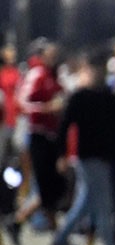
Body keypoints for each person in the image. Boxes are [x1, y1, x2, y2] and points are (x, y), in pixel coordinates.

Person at [45, 54, 115, 245]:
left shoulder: (107, 96)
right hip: (89, 157)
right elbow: (64, 126)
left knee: (86, 203)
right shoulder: (81, 96)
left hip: (101, 157)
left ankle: (58, 242)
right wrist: (62, 154)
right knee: (103, 206)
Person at [16, 39, 64, 232]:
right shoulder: (37, 74)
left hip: (51, 135)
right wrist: (46, 109)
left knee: (53, 185)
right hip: (38, 135)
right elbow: (22, 103)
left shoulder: (52, 75)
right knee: (45, 184)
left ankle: (52, 228)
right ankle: (21, 219)